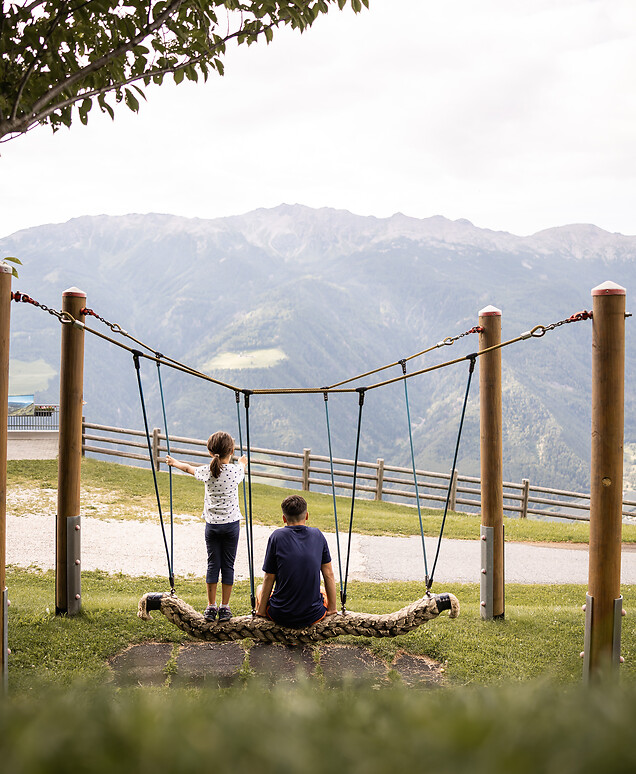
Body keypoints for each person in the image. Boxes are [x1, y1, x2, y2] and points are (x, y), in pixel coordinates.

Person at [166, 431, 247, 622]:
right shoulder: (235, 471)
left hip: (212, 526)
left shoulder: (206, 471)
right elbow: (241, 468)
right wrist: (242, 462)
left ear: (210, 452)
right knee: (228, 565)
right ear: (232, 451)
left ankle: (211, 607)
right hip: (231, 525)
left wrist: (174, 462)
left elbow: (187, 469)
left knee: (213, 564)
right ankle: (225, 607)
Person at [255, 494, 338, 628]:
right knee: (321, 590)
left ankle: (263, 624)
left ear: (284, 518)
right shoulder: (318, 535)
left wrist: (261, 610)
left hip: (279, 613)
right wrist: (332, 609)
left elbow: (269, 576)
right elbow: (328, 574)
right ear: (306, 516)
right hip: (313, 614)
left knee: (259, 588)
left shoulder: (276, 537)